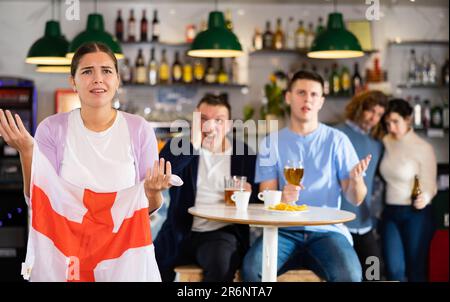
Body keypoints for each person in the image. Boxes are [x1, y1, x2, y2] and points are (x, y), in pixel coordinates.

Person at [0, 42, 171, 281]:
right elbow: (38, 199)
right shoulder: (51, 129)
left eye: (107, 71)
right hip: (67, 254)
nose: (98, 79)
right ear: (73, 81)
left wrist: (152, 192)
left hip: (123, 255)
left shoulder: (139, 129)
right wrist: (27, 152)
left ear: (118, 80)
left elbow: (148, 206)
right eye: (87, 71)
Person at [241, 70, 371, 282]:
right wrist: (282, 197)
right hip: (282, 231)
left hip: (327, 231)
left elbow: (356, 198)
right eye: (301, 92)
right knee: (252, 270)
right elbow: (265, 193)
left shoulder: (338, 140)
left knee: (350, 275)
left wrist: (356, 181)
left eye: (313, 94)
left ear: (321, 101)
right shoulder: (270, 142)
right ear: (288, 97)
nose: (307, 99)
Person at [154, 94, 259, 282]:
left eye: (218, 120)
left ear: (228, 125)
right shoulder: (180, 147)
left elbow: (258, 200)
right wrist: (193, 143)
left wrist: (249, 195)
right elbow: (162, 173)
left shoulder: (245, 155)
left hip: (220, 234)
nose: (210, 126)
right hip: (179, 230)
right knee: (150, 266)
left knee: (221, 266)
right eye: (203, 119)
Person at [379, 99, 437, 282]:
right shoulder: (386, 141)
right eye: (388, 123)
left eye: (396, 122)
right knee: (394, 270)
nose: (391, 128)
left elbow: (430, 184)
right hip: (390, 213)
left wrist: (425, 197)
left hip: (416, 214)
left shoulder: (423, 148)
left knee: (416, 271)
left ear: (408, 119)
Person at [335, 90, 388, 280]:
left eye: (379, 114)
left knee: (373, 274)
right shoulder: (337, 134)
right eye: (371, 111)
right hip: (338, 224)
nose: (374, 118)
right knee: (345, 274)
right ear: (359, 108)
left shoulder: (377, 143)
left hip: (365, 224)